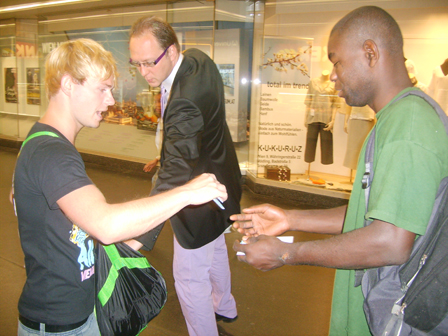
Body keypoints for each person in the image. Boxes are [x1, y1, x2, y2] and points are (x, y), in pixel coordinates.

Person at [231, 6, 448, 336]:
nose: (332, 75)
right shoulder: (397, 118)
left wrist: (287, 253)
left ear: (370, 53)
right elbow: (373, 213)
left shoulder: (409, 125)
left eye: (336, 61)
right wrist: (291, 218)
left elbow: (390, 241)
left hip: (391, 319)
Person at [12, 38, 228, 336]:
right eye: (102, 89)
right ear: (68, 84)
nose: (111, 100)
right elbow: (106, 225)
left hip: (75, 313)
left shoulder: (48, 146)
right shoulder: (52, 154)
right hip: (61, 326)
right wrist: (187, 192)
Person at [128, 16, 242, 336]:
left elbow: (175, 175)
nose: (144, 72)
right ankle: (225, 305)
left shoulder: (184, 102)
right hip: (223, 180)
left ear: (173, 52)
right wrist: (168, 154)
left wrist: (140, 233)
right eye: (136, 64)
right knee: (216, 245)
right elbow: (190, 135)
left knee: (190, 278)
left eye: (150, 62)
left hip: (199, 195)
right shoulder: (198, 60)